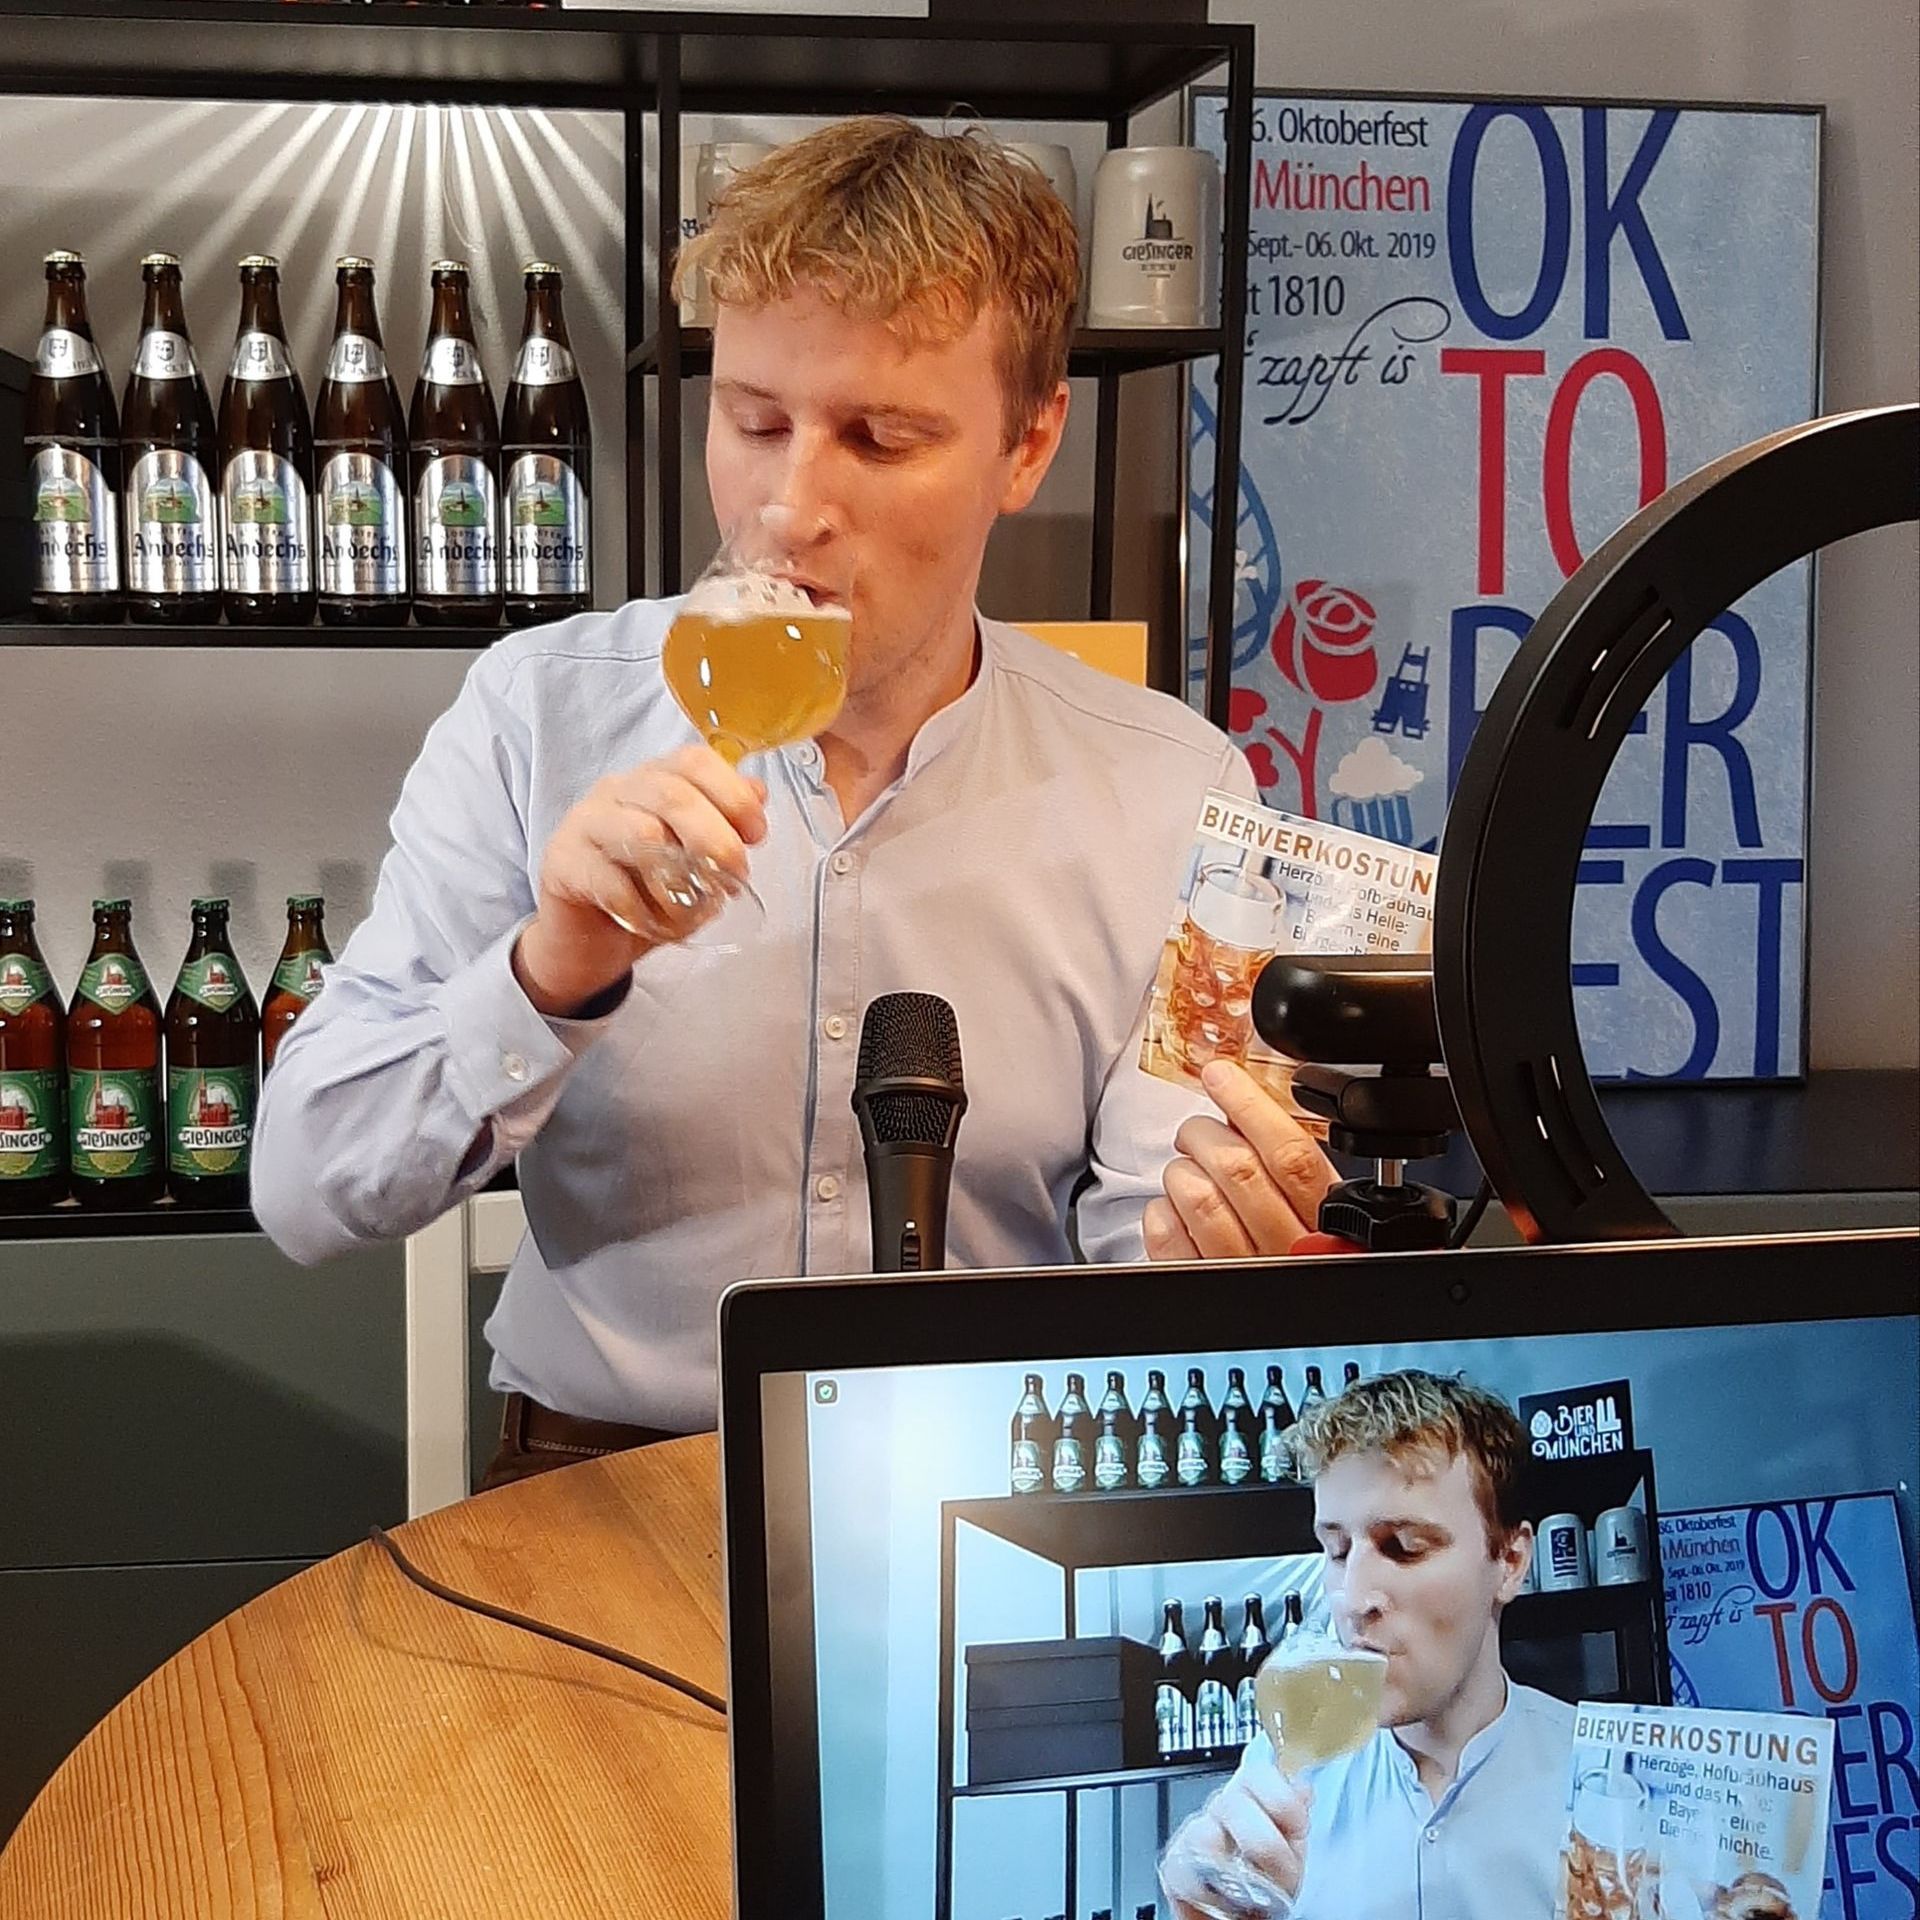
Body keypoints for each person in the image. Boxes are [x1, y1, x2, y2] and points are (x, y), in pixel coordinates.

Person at [251, 117, 1336, 1489]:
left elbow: (1147, 1235)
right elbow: (305, 1189)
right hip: (597, 1482)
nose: (790, 505)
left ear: (1028, 444)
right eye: (755, 421)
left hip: (991, 1487)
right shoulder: (541, 715)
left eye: (879, 438)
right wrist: (550, 973)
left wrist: (1211, 1234)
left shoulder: (1172, 785)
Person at [1159, 1370, 1575, 1920]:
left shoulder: (1605, 1779)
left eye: (1403, 1547)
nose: (1352, 1599)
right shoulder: (1284, 1772)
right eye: (1336, 1550)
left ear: (1510, 1562)